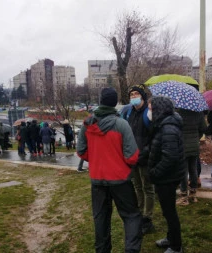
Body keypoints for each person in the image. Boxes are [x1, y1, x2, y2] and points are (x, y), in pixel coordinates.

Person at [77, 87, 142, 253]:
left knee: (101, 218)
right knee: (131, 216)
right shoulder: (122, 124)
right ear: (115, 103)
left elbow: (81, 151)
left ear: (100, 101)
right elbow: (132, 156)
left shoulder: (88, 123)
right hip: (120, 179)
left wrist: (98, 159)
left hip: (97, 180)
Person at [147, 96, 185, 253]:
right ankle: (171, 238)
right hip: (166, 177)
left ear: (158, 109)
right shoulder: (163, 125)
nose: (149, 112)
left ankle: (176, 247)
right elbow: (156, 146)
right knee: (167, 211)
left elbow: (170, 157)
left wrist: (154, 173)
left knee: (170, 212)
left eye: (150, 109)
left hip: (167, 178)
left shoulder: (168, 128)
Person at [122, 84, 155, 235]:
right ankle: (140, 212)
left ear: (142, 96)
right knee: (137, 186)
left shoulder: (148, 114)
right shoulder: (129, 113)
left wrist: (145, 153)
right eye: (131, 94)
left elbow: (154, 137)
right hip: (132, 157)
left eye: (136, 94)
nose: (133, 96)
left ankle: (147, 218)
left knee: (147, 187)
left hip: (145, 157)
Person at [176, 109, 207, 205]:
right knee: (193, 169)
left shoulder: (178, 113)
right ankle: (193, 194)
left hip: (182, 146)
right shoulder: (198, 112)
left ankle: (184, 196)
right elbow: (203, 129)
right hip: (194, 146)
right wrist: (196, 138)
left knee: (183, 171)